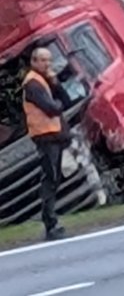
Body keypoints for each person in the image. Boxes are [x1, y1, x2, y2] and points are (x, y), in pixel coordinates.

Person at [23, 47, 72, 241]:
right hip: (45, 136)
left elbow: (65, 100)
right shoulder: (32, 83)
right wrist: (58, 105)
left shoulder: (43, 81)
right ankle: (50, 224)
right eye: (43, 60)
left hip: (53, 135)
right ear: (34, 62)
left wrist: (55, 82)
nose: (47, 64)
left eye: (49, 60)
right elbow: (52, 108)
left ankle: (51, 221)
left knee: (54, 178)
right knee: (50, 179)